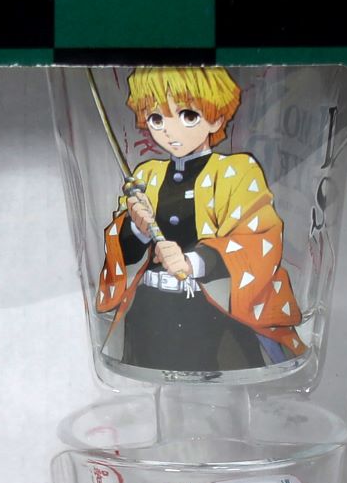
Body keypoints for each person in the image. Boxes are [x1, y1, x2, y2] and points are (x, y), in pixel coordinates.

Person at [96, 65, 306, 374]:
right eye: (156, 119)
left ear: (217, 118)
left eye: (187, 116)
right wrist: (137, 230)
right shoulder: (145, 176)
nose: (170, 131)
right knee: (147, 377)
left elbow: (258, 238)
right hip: (151, 313)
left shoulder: (236, 171)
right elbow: (119, 252)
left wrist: (193, 262)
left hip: (215, 316)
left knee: (222, 381)